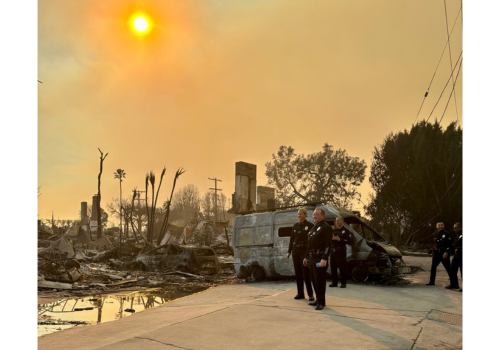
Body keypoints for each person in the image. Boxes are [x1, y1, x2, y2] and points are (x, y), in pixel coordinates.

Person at [303, 207, 333, 310]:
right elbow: (308, 245)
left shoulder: (326, 227)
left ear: (322, 216)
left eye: (317, 214)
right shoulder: (313, 228)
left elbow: (328, 244)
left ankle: (321, 302)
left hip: (320, 258)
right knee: (314, 280)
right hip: (311, 258)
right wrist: (306, 257)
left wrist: (324, 258)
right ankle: (317, 299)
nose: (314, 216)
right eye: (313, 214)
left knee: (320, 280)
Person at [286, 208, 315, 301]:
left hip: (304, 251)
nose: (299, 216)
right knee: (298, 273)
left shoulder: (310, 225)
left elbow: (311, 240)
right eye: (298, 214)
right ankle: (300, 293)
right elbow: (292, 239)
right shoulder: (295, 226)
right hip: (296, 250)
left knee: (306, 272)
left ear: (305, 215)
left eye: (301, 214)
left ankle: (310, 294)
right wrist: (289, 251)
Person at [329, 216, 354, 288]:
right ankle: (334, 282)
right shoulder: (334, 231)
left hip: (341, 252)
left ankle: (343, 283)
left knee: (342, 268)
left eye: (338, 221)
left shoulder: (346, 231)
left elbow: (351, 241)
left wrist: (340, 240)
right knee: (333, 268)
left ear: (342, 222)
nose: (336, 222)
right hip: (333, 251)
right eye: (336, 221)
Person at [426, 222, 453, 286]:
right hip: (436, 253)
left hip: (444, 253)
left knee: (448, 268)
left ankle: (453, 283)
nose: (440, 226)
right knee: (433, 267)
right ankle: (431, 282)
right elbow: (434, 243)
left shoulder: (447, 234)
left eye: (442, 225)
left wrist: (446, 252)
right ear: (436, 226)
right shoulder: (435, 234)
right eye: (439, 225)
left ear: (444, 226)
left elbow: (449, 244)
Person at [446, 222, 462, 291]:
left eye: (455, 228)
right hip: (457, 255)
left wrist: (458, 248)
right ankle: (454, 284)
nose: (454, 229)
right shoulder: (458, 235)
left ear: (461, 227)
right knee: (452, 268)